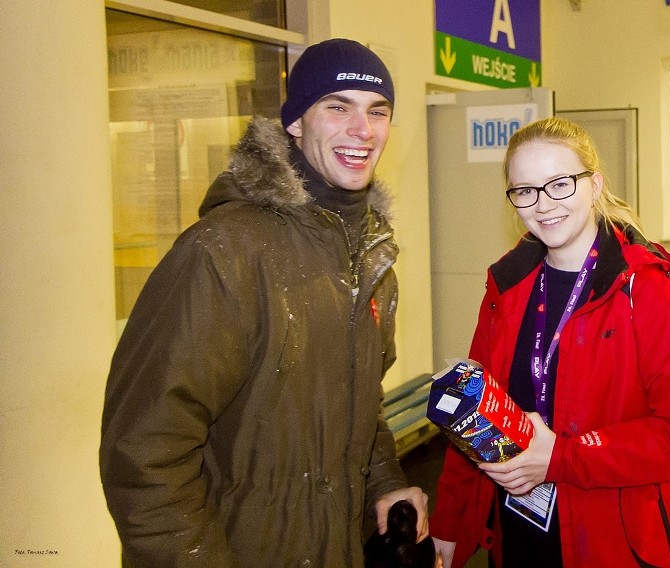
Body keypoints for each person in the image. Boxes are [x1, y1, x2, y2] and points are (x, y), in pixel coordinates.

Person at [100, 38, 429, 567]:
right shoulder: (222, 252)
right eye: (337, 107)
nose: (363, 130)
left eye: (377, 111)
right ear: (296, 121)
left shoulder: (370, 254)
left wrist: (385, 484)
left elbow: (358, 406)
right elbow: (144, 452)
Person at [429, 117, 670, 567]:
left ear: (594, 183)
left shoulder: (647, 289)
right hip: (520, 534)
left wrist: (563, 456)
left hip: (615, 542)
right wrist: (448, 520)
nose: (543, 205)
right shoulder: (507, 287)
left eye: (560, 183)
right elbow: (474, 414)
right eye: (525, 191)